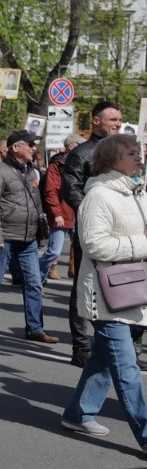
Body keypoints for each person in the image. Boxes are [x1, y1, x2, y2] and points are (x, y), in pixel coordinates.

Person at [61, 133, 147, 452]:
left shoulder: (135, 191)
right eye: (131, 152)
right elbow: (93, 245)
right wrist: (142, 244)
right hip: (105, 293)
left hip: (132, 289)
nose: (139, 157)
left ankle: (78, 413)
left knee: (103, 358)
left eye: (139, 152)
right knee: (126, 367)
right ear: (111, 158)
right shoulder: (99, 195)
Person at [0, 130, 58, 343]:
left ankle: (35, 328)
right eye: (30, 144)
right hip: (4, 238)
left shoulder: (32, 172)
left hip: (28, 239)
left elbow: (36, 205)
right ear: (15, 147)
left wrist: (40, 234)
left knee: (34, 283)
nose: (34, 148)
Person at [62, 101, 123, 367]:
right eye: (113, 120)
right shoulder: (83, 153)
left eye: (120, 120)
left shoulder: (122, 152)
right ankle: (81, 347)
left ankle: (122, 344)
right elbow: (70, 188)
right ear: (96, 121)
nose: (117, 124)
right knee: (83, 286)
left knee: (120, 283)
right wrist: (91, 211)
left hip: (121, 231)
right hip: (91, 230)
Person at [39, 133, 82, 281]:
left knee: (82, 250)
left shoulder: (82, 163)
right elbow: (50, 191)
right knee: (54, 251)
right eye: (79, 144)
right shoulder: (56, 165)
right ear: (71, 146)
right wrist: (57, 213)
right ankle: (36, 279)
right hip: (62, 214)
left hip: (78, 213)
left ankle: (79, 281)